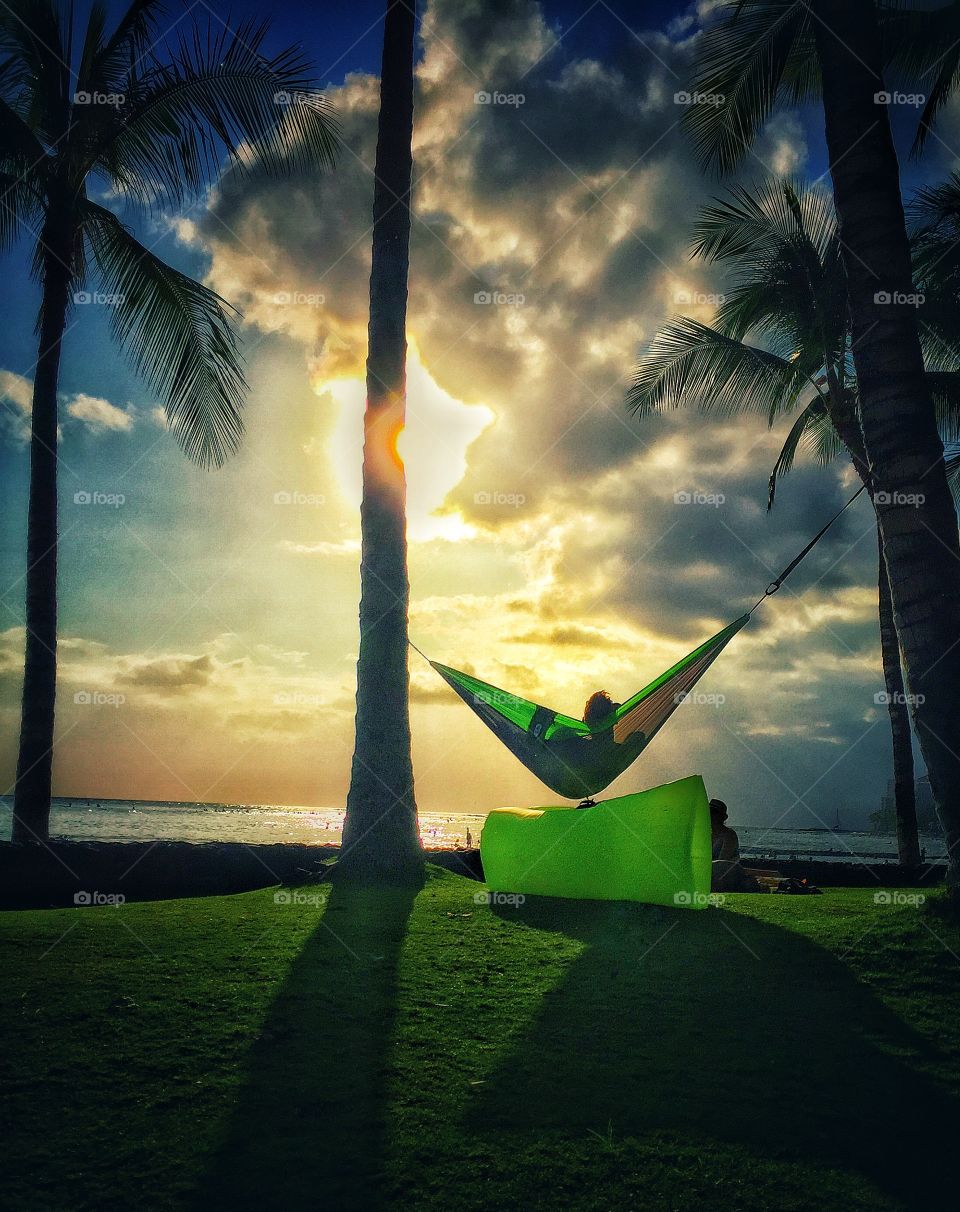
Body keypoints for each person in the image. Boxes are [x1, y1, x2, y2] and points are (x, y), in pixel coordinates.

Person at [709, 798, 761, 892]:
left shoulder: (729, 835)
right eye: (709, 812)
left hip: (728, 872)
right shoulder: (706, 834)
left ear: (721, 817)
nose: (710, 816)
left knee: (717, 867)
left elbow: (723, 860)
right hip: (712, 870)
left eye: (713, 813)